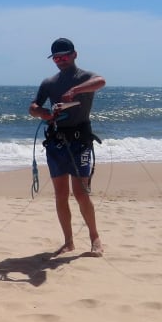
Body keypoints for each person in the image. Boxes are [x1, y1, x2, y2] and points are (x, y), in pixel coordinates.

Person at [28, 37, 107, 256]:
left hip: (80, 142)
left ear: (74, 55)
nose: (60, 60)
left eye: (64, 56)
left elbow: (101, 81)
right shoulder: (49, 83)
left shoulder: (85, 77)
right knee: (60, 194)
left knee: (81, 193)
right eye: (56, 58)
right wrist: (42, 113)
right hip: (56, 143)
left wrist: (76, 90)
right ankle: (68, 242)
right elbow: (33, 106)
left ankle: (95, 238)